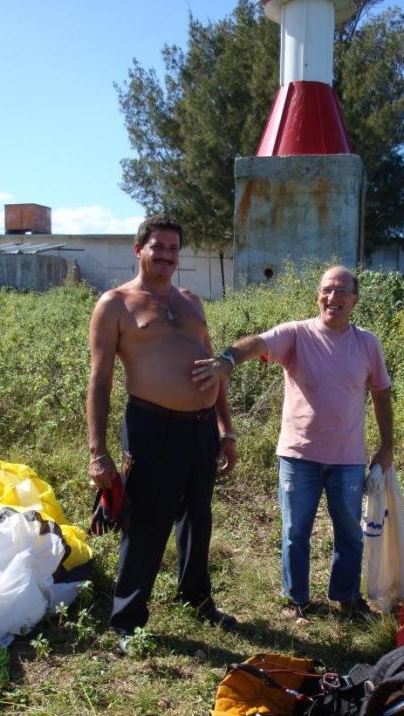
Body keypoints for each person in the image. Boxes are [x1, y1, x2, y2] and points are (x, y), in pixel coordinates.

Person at [192, 265, 393, 620]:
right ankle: (297, 600)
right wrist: (227, 360)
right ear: (318, 295)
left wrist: (387, 445)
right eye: (327, 289)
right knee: (295, 531)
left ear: (355, 300)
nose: (334, 297)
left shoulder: (367, 343)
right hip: (298, 456)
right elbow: (257, 343)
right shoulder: (297, 335)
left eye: (343, 291)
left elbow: (381, 394)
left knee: (349, 531)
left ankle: (347, 599)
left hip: (347, 458)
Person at [87, 213, 238, 651]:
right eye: (158, 247)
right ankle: (127, 619)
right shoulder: (115, 304)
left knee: (198, 516)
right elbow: (99, 381)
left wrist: (226, 430)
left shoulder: (191, 301)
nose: (167, 255)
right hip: (152, 427)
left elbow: (215, 369)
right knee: (147, 523)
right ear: (139, 251)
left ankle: (196, 598)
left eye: (173, 248)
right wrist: (98, 452)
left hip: (201, 429)